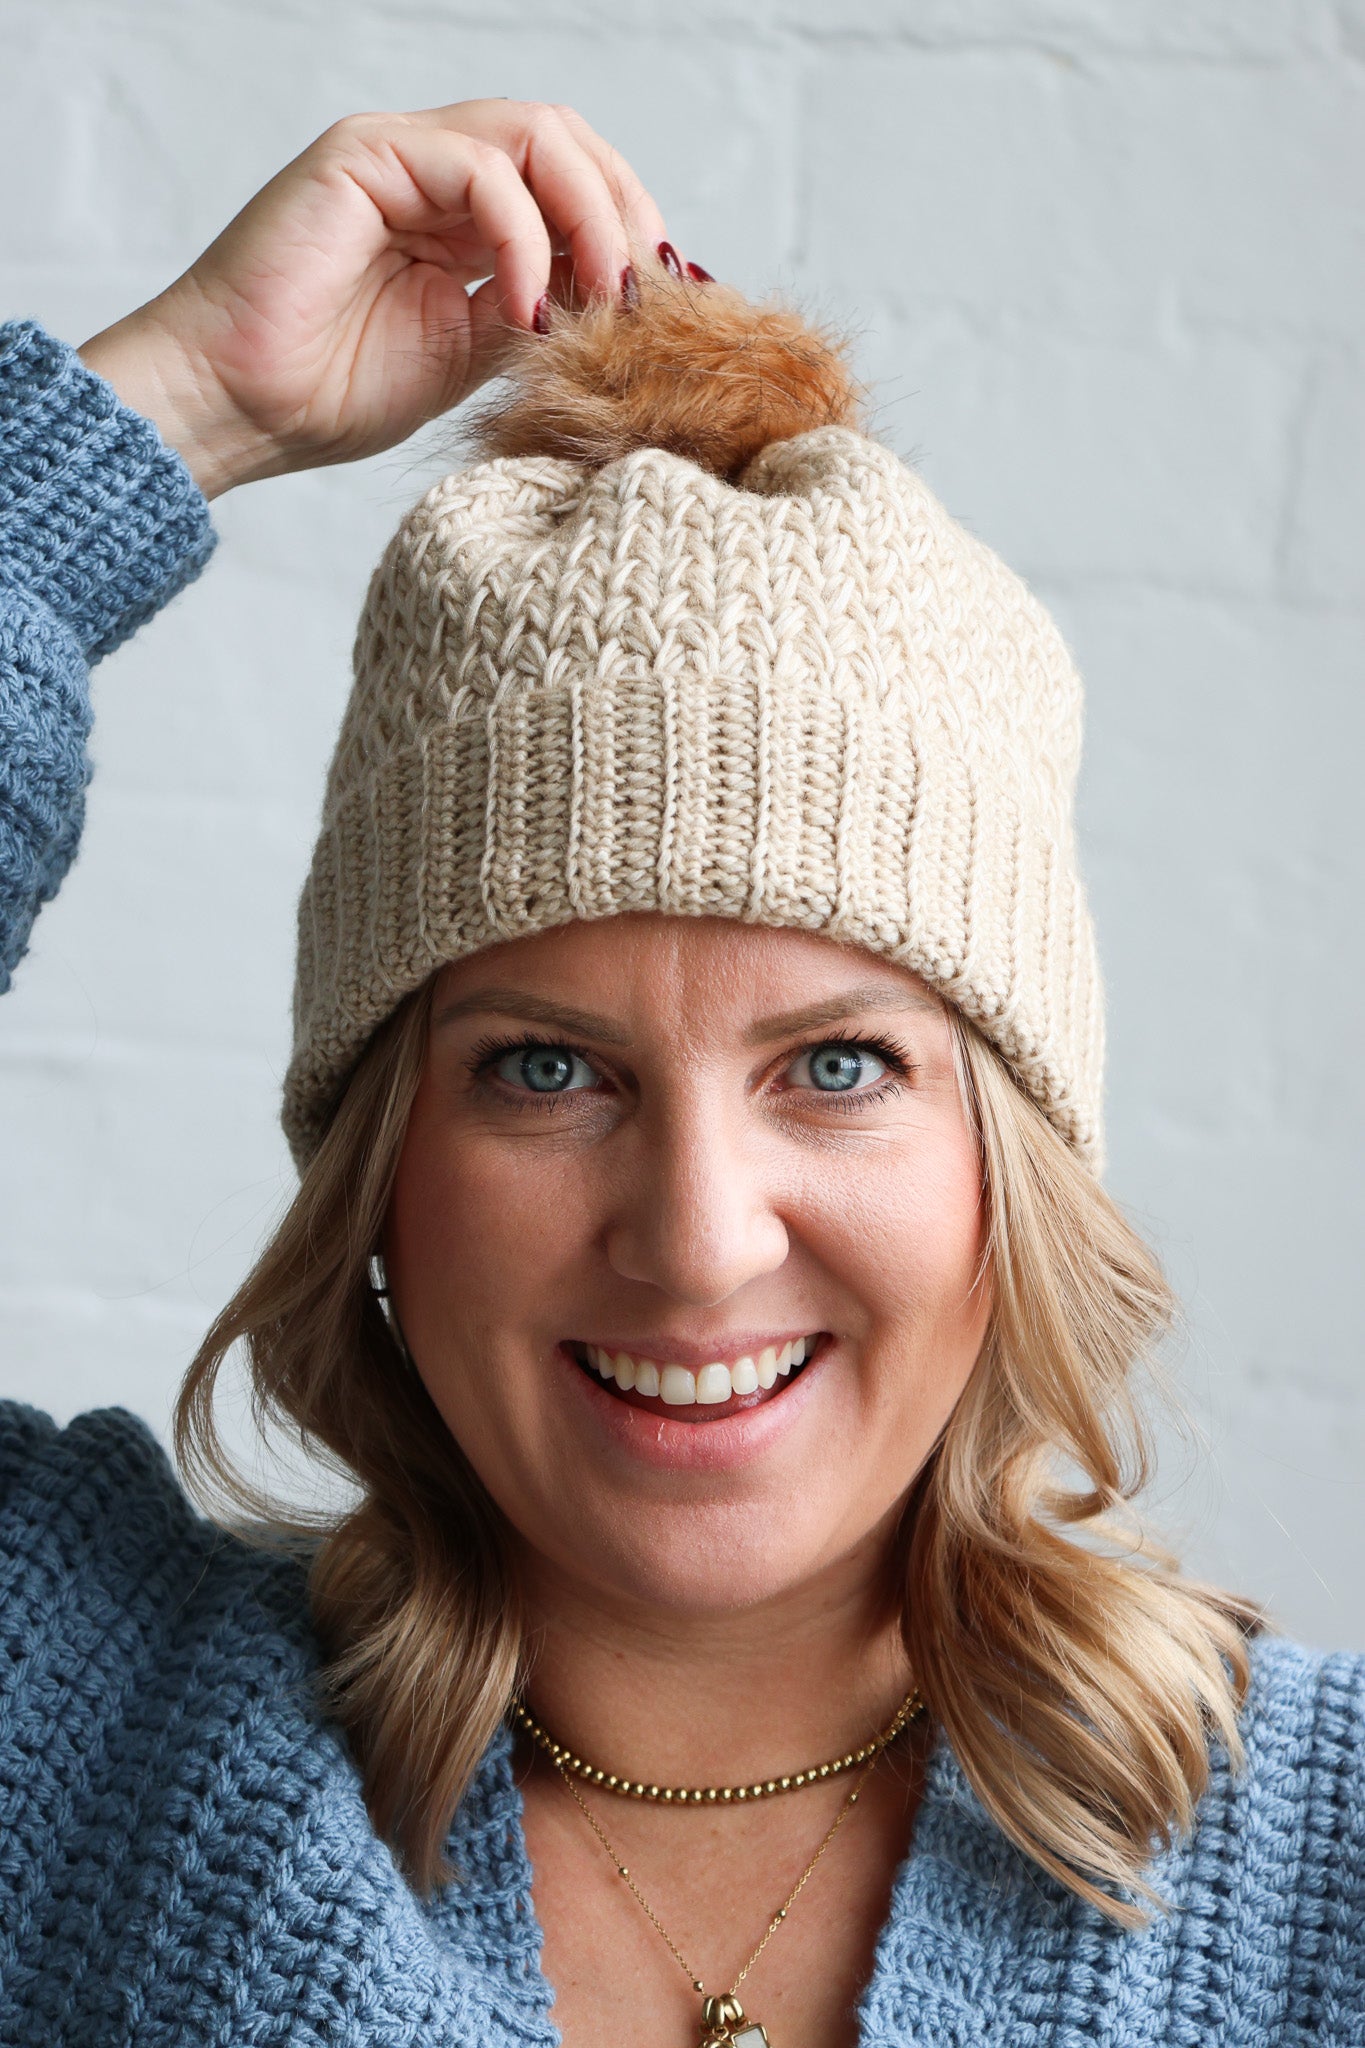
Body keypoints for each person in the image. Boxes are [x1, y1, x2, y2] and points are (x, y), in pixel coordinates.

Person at [1, 97, 1362, 2048]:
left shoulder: (1323, 1867)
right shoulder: (84, 1743)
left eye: (836, 1065)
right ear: (385, 1166)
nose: (700, 1240)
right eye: (546, 1068)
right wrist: (173, 411)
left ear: (1007, 1158)